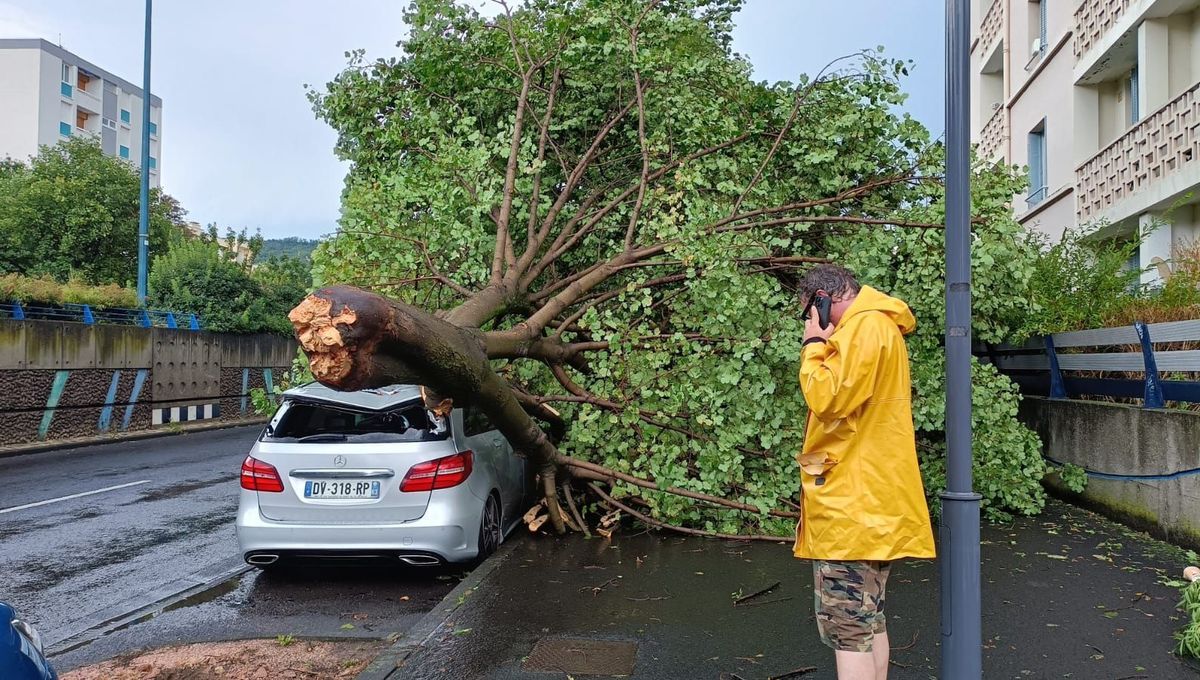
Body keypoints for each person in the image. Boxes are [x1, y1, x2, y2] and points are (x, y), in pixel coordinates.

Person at [794, 264, 936, 680]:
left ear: (824, 299)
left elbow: (828, 397)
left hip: (852, 509)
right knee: (868, 622)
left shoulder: (863, 329)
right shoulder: (876, 327)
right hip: (870, 504)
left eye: (810, 311)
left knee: (848, 631)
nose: (809, 321)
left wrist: (814, 346)